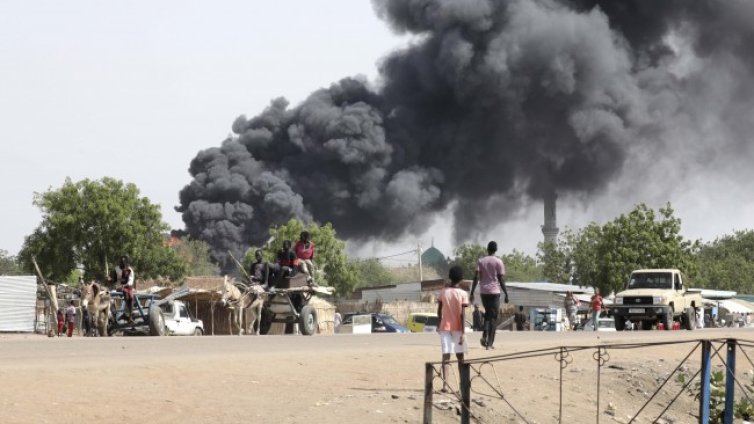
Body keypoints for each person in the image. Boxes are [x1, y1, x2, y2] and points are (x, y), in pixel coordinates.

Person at [470, 241, 508, 350]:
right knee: (493, 318)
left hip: (484, 292)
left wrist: (472, 291)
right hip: (495, 292)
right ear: (496, 250)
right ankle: (489, 343)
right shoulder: (498, 262)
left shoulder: (481, 261)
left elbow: (476, 277)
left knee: (487, 314)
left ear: (487, 249)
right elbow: (501, 279)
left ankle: (484, 335)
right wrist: (506, 293)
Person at [437, 265, 469, 393]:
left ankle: (445, 385)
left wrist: (438, 324)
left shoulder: (443, 292)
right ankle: (462, 384)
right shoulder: (463, 294)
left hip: (444, 327)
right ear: (461, 279)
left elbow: (439, 311)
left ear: (450, 277)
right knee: (460, 357)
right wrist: (463, 332)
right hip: (458, 328)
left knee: (446, 356)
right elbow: (462, 314)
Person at [113, 256, 135, 322]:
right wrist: (110, 279)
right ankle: (117, 315)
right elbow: (114, 279)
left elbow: (130, 282)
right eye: (120, 262)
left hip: (127, 287)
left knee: (130, 297)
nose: (120, 263)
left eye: (122, 262)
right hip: (118, 288)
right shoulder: (117, 269)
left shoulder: (129, 270)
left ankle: (129, 316)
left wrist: (124, 286)